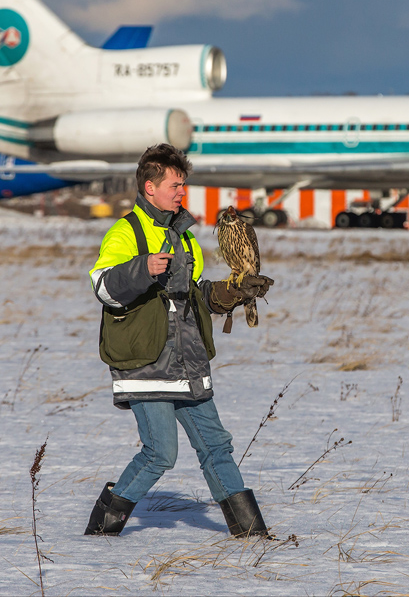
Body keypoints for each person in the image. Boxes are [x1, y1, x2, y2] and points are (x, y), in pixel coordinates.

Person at [84, 143, 274, 539]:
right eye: (175, 184)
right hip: (146, 365)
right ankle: (103, 528)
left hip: (188, 364)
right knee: (159, 454)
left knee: (216, 446)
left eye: (183, 184)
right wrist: (142, 268)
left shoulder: (184, 237)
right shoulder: (126, 232)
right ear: (150, 187)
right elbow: (104, 287)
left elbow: (195, 296)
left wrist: (233, 292)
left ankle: (251, 533)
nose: (181, 192)